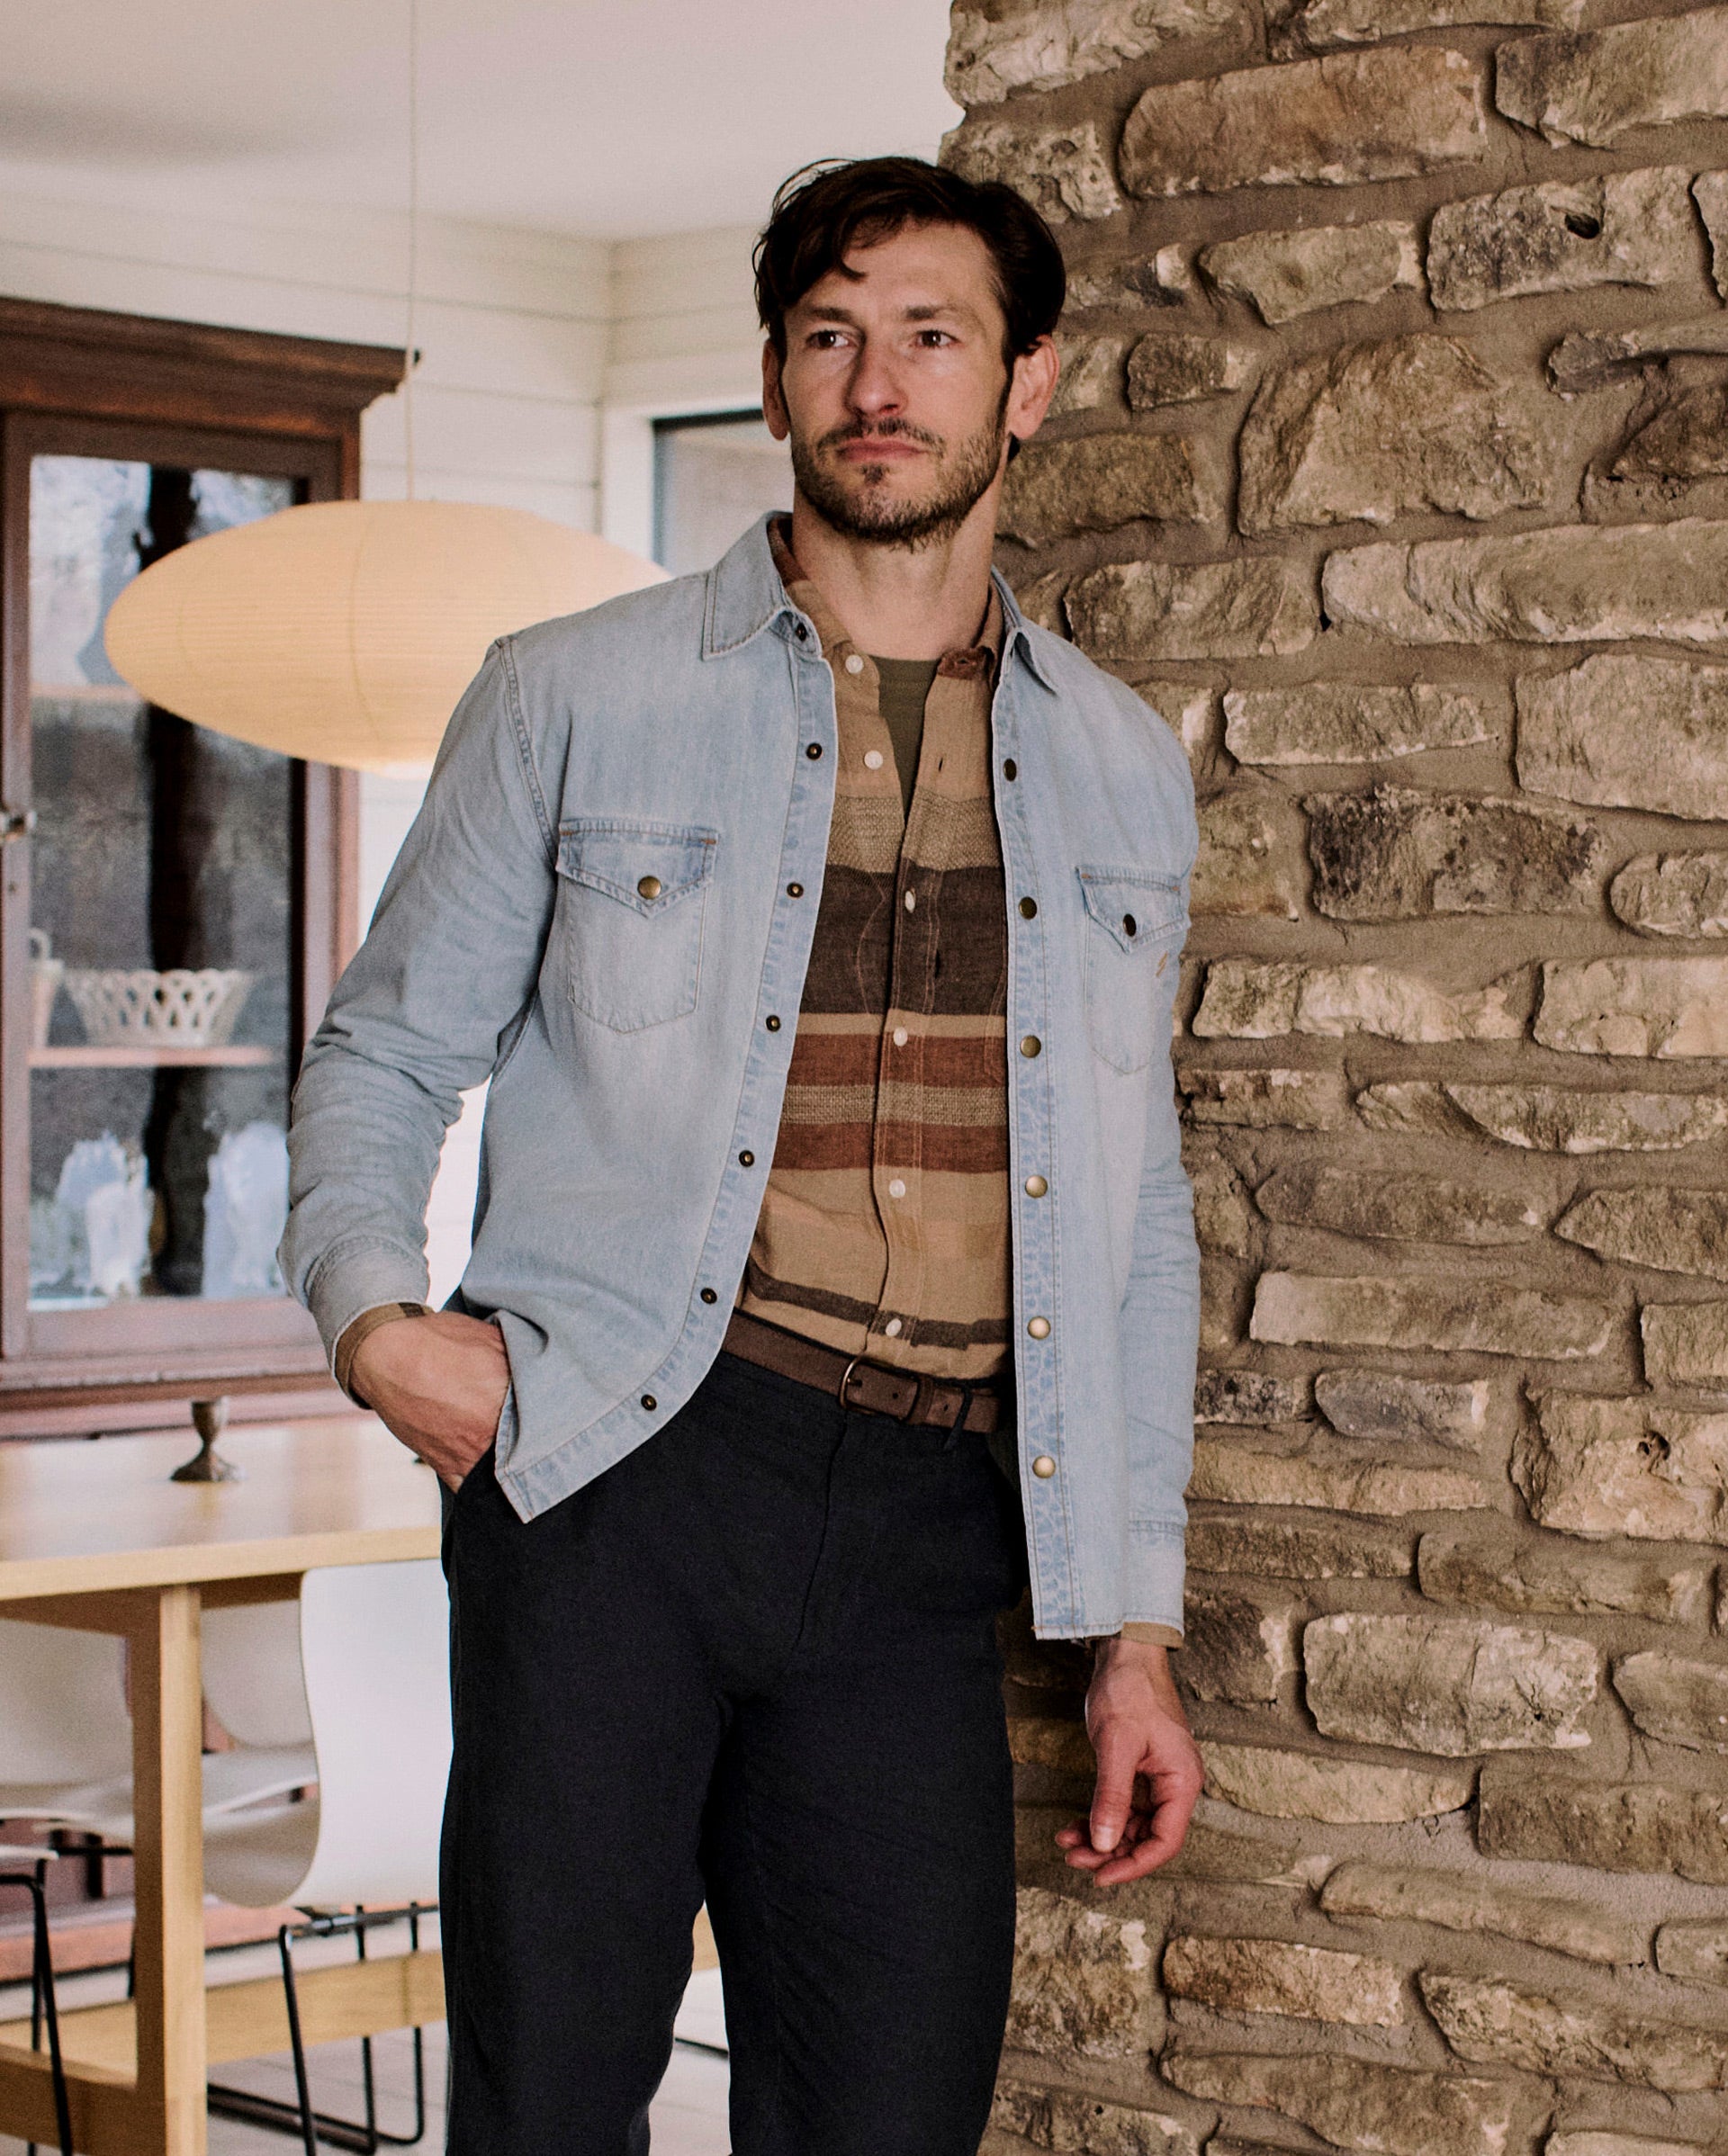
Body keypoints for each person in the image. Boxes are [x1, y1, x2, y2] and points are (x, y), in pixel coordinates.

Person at [280, 154, 1202, 2156]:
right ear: (777, 380)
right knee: (551, 2110)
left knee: (888, 2113)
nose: (881, 382)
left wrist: (1131, 1625)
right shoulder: (572, 696)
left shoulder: (1124, 767)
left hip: (930, 1527)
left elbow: (1132, 1219)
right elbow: (378, 1054)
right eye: (831, 336)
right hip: (622, 1478)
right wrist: (378, 1327)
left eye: (934, 337)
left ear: (1025, 385)